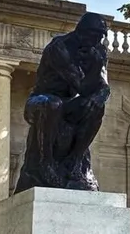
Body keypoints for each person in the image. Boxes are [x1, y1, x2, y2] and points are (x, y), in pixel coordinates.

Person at [14, 12, 111, 193]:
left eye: (101, 36)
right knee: (53, 104)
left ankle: (75, 162)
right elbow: (80, 84)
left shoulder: (98, 50)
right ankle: (45, 163)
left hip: (68, 104)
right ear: (82, 32)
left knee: (96, 108)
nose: (98, 40)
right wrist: (95, 66)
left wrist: (98, 97)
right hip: (41, 101)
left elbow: (104, 88)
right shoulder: (59, 47)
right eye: (95, 35)